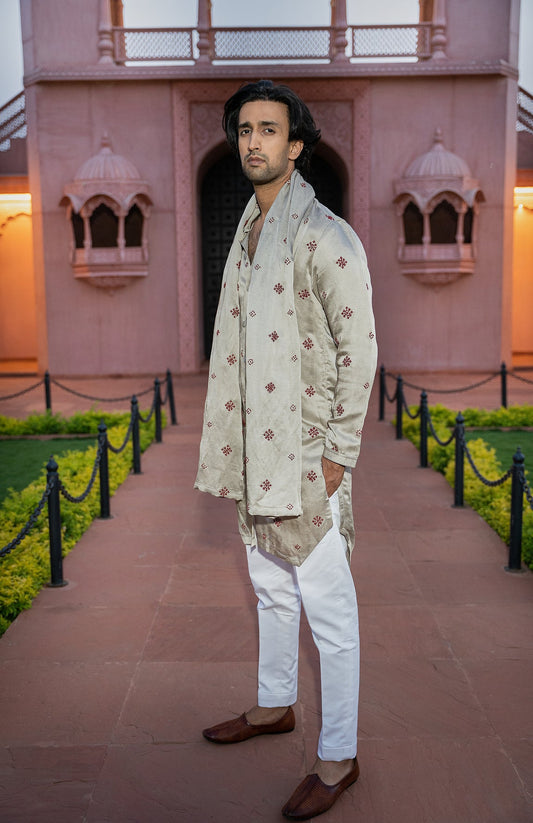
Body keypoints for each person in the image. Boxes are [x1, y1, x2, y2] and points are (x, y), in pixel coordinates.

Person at [194, 79, 377, 820]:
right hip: (253, 447)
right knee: (269, 585)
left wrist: (336, 453)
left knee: (327, 609)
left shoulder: (323, 235)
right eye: (244, 130)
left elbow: (358, 351)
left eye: (268, 130)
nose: (253, 143)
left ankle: (338, 754)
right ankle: (276, 703)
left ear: (295, 145)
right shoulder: (249, 228)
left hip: (304, 453)